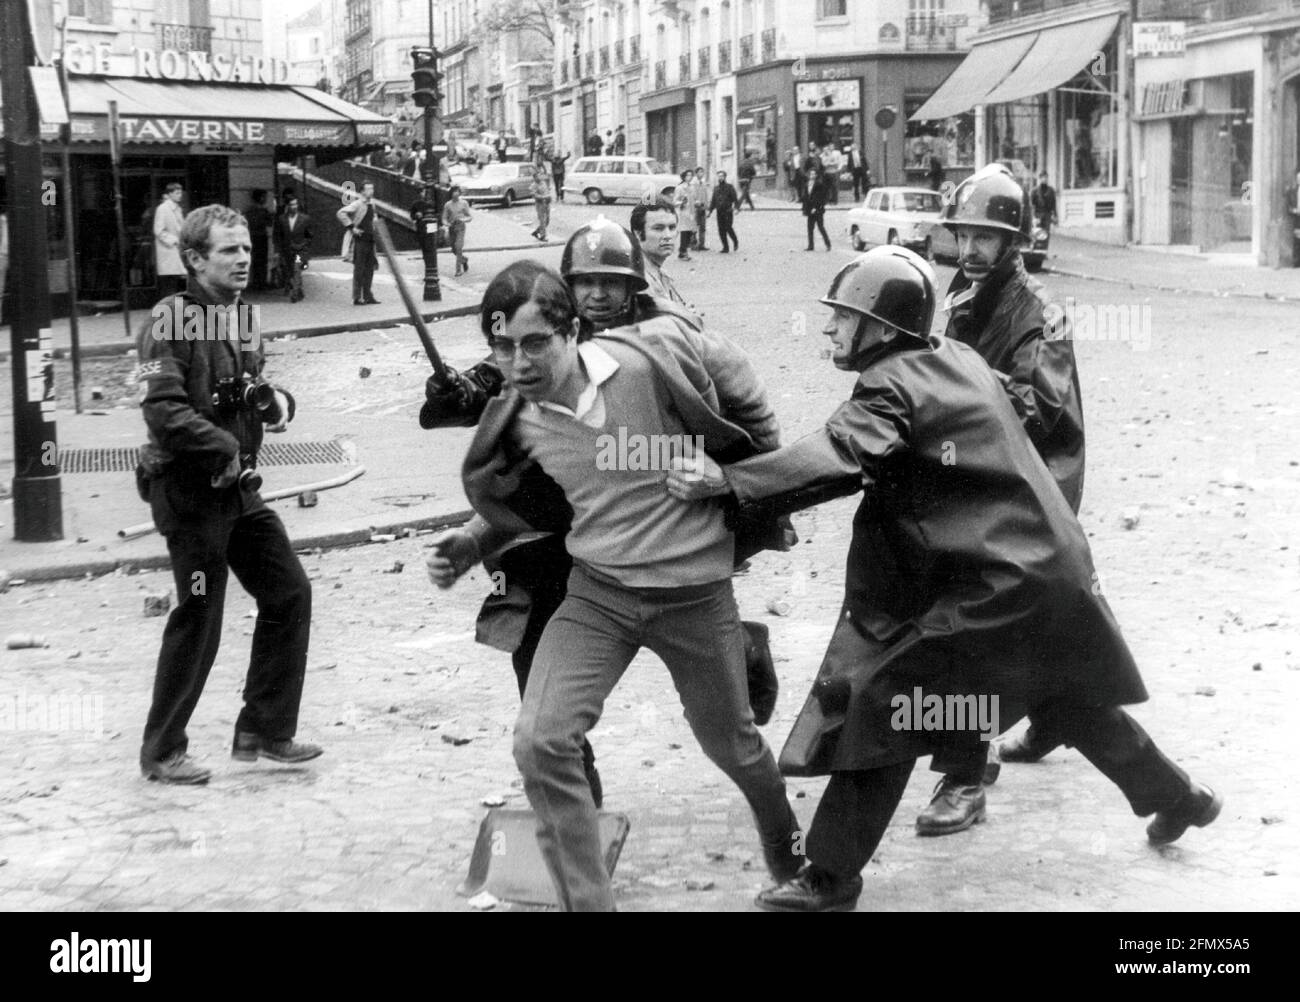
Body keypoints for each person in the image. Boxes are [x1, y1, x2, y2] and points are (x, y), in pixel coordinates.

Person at [665, 247, 1222, 912]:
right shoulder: (956, 358)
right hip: (1046, 572)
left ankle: (831, 877)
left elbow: (843, 454)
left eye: (843, 316)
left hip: (996, 585)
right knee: (1068, 703)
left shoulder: (889, 385)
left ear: (881, 326)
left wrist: (730, 482)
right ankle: (1181, 799)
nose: (830, 329)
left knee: (889, 701)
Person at [430, 259, 804, 910]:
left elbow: (757, 433)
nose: (519, 363)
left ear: (572, 331)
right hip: (600, 595)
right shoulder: (516, 421)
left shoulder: (651, 360)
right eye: (503, 348)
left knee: (734, 745)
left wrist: (724, 478)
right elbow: (532, 504)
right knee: (540, 740)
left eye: (536, 342)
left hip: (691, 591)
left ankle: (790, 856)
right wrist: (471, 542)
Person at [134, 204, 322, 785]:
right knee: (200, 613)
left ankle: (264, 730)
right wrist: (222, 446)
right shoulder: (170, 320)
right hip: (189, 494)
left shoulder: (241, 317)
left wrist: (277, 403)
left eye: (245, 249)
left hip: (238, 491)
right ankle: (162, 751)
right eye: (228, 251)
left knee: (289, 592)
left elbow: (249, 387)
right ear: (194, 259)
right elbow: (163, 410)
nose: (243, 259)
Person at [939, 164, 1085, 791]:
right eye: (963, 236)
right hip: (982, 472)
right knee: (1036, 619)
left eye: (985, 238)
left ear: (1013, 241)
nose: (970, 250)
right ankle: (1059, 716)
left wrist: (960, 382)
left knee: (972, 625)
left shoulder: (1042, 313)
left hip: (1034, 481)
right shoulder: (962, 293)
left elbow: (1038, 409)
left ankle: (968, 772)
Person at [631, 198, 690, 306]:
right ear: (638, 234)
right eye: (658, 228)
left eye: (672, 228)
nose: (667, 236)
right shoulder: (638, 281)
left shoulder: (660, 273)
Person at [336, 181, 379, 305]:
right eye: (369, 189)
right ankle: (356, 297)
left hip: (370, 240)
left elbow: (373, 217)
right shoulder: (357, 204)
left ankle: (367, 295)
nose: (371, 191)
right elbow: (341, 213)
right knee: (359, 269)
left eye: (372, 188)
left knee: (370, 269)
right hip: (360, 240)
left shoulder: (372, 204)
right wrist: (352, 227)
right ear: (362, 192)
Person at [272, 194, 312, 303]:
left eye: (295, 204)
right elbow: (277, 235)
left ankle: (294, 294)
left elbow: (309, 235)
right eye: (291, 205)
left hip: (300, 250)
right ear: (287, 206)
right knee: (289, 271)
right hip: (287, 250)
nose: (294, 207)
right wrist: (277, 250)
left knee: (296, 269)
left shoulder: (305, 219)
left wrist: (305, 247)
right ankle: (299, 291)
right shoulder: (281, 219)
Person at [153, 183, 187, 299]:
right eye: (177, 193)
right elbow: (158, 230)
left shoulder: (177, 209)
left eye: (180, 192)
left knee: (177, 281)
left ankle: (176, 310)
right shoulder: (163, 209)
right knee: (170, 283)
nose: (180, 195)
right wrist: (174, 241)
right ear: (169, 194)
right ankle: (168, 311)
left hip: (176, 250)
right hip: (169, 250)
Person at [244, 190, 274, 291]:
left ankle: (255, 282)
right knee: (262, 260)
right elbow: (269, 223)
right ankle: (261, 282)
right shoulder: (263, 211)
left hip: (251, 236)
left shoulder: (248, 211)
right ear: (260, 198)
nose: (265, 199)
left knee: (254, 260)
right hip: (260, 236)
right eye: (264, 197)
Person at [441, 186, 473, 277]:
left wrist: (464, 220)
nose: (455, 194)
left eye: (457, 192)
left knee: (458, 246)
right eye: (453, 192)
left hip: (461, 227)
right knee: (454, 249)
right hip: (452, 227)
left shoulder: (464, 203)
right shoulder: (447, 205)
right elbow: (444, 218)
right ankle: (464, 260)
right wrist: (446, 223)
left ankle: (458, 270)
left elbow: (469, 216)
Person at [802, 164, 832, 252]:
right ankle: (810, 245)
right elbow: (806, 197)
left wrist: (816, 207)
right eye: (810, 174)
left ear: (816, 175)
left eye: (813, 174)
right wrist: (805, 209)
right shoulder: (807, 184)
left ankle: (828, 244)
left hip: (817, 210)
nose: (812, 176)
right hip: (810, 209)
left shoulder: (819, 185)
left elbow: (820, 197)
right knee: (810, 228)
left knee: (821, 227)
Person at [710, 170, 741, 253]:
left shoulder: (729, 187)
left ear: (725, 177)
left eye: (722, 176)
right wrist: (710, 211)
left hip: (728, 211)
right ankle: (725, 247)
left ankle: (735, 241)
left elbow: (735, 199)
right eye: (719, 176)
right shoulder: (716, 188)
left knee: (728, 228)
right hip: (719, 212)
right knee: (721, 230)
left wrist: (737, 208)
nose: (720, 178)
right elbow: (713, 201)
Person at [674, 171, 697, 261]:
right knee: (684, 233)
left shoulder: (692, 187)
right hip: (683, 213)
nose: (689, 177)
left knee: (689, 233)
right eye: (687, 175)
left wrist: (697, 203)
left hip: (691, 213)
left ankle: (683, 251)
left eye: (691, 175)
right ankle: (683, 252)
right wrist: (681, 202)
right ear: (684, 177)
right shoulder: (679, 188)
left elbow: (694, 199)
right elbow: (675, 201)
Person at [1030, 170, 1059, 237]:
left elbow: (1054, 204)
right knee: (1038, 232)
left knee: (1046, 233)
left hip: (1047, 214)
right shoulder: (1035, 191)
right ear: (1040, 178)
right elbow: (1031, 205)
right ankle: (1038, 247)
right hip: (1038, 214)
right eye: (1043, 177)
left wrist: (1055, 216)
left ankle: (1045, 247)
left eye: (1046, 177)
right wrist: (1033, 217)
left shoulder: (1051, 190)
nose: (1045, 179)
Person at [530, 163, 553, 243]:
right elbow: (534, 195)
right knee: (542, 220)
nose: (539, 177)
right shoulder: (533, 185)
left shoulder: (543, 183)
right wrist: (543, 197)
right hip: (540, 204)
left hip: (546, 202)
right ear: (534, 178)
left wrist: (548, 196)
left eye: (539, 175)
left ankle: (536, 232)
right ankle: (543, 236)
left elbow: (547, 189)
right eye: (537, 176)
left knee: (547, 221)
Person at [692, 167, 712, 250]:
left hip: (703, 207)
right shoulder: (693, 183)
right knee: (694, 226)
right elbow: (692, 195)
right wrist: (696, 202)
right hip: (695, 207)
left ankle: (702, 244)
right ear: (696, 174)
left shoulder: (704, 183)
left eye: (702, 172)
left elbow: (706, 195)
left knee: (703, 227)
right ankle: (693, 244)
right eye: (699, 172)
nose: (701, 174)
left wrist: (707, 206)